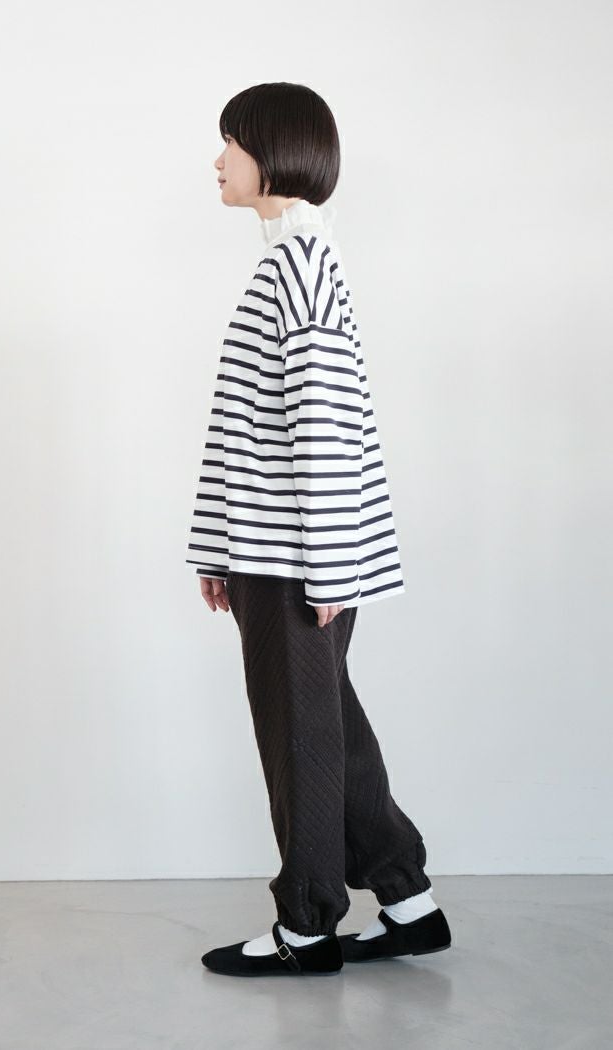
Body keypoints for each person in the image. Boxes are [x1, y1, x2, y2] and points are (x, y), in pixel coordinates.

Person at [186, 81, 451, 977]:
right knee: (331, 727)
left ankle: (306, 927)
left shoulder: (297, 267)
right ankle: (408, 902)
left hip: (298, 562)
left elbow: (325, 431)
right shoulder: (295, 261)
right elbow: (249, 432)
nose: (218, 160)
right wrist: (218, 549)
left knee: (300, 738)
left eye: (229, 143)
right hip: (280, 553)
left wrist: (330, 569)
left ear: (271, 151)